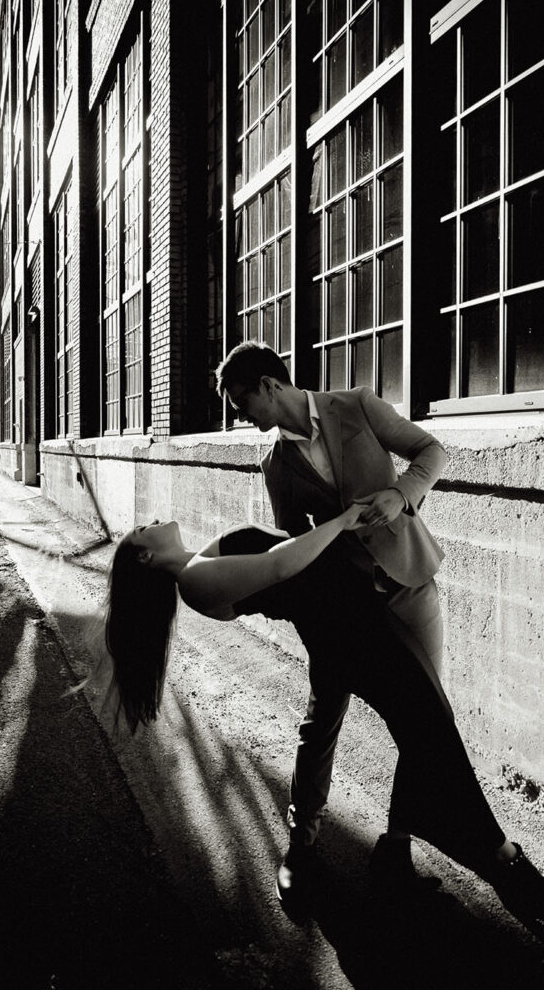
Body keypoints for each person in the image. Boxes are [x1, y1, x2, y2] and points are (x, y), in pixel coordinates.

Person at [103, 511, 544, 915]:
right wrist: (344, 518)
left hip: (357, 622)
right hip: (351, 636)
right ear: (145, 556)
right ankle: (504, 865)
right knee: (431, 730)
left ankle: (414, 854)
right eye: (142, 529)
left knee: (423, 729)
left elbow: (295, 559)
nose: (152, 521)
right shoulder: (194, 581)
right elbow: (282, 563)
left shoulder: (203, 561)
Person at [215, 341, 448, 898]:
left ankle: (396, 847)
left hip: (409, 584)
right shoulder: (274, 462)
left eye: (242, 401)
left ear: (270, 385)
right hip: (345, 607)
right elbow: (295, 550)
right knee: (323, 718)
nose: (240, 416)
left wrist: (400, 493)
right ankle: (301, 845)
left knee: (424, 720)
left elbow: (430, 451)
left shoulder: (357, 406)